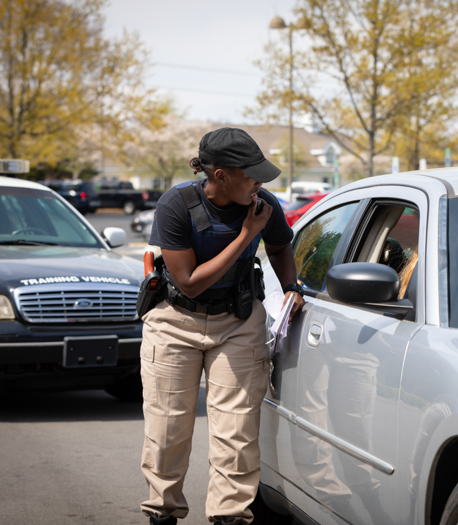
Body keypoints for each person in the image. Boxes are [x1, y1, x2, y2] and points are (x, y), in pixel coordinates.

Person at [139, 127, 305, 525]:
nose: (260, 183)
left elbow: (280, 246)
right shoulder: (176, 205)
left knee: (236, 435)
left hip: (238, 322)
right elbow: (189, 280)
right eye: (251, 175)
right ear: (220, 175)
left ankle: (228, 518)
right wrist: (247, 234)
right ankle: (163, 512)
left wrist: (291, 286)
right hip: (175, 322)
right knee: (167, 430)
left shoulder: (264, 204)